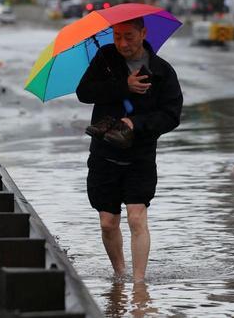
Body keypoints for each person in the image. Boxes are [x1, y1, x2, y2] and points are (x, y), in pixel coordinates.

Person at [76, 17, 182, 284]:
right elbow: (84, 92)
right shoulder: (105, 58)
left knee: (136, 218)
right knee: (107, 223)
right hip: (104, 155)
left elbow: (171, 115)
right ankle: (120, 274)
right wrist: (124, 86)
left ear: (143, 33)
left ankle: (138, 285)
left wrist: (136, 123)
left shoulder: (162, 71)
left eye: (129, 36)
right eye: (117, 36)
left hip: (140, 157)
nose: (122, 43)